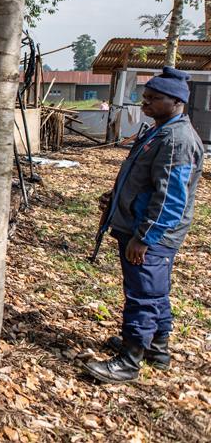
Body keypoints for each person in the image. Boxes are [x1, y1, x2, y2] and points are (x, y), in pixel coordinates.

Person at [84, 66, 203, 383]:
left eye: (153, 98)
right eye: (145, 97)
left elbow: (170, 198)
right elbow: (144, 179)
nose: (144, 103)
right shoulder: (159, 131)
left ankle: (130, 359)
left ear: (176, 101)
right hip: (138, 227)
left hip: (151, 234)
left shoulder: (177, 141)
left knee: (144, 295)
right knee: (154, 290)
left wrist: (145, 238)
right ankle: (156, 348)